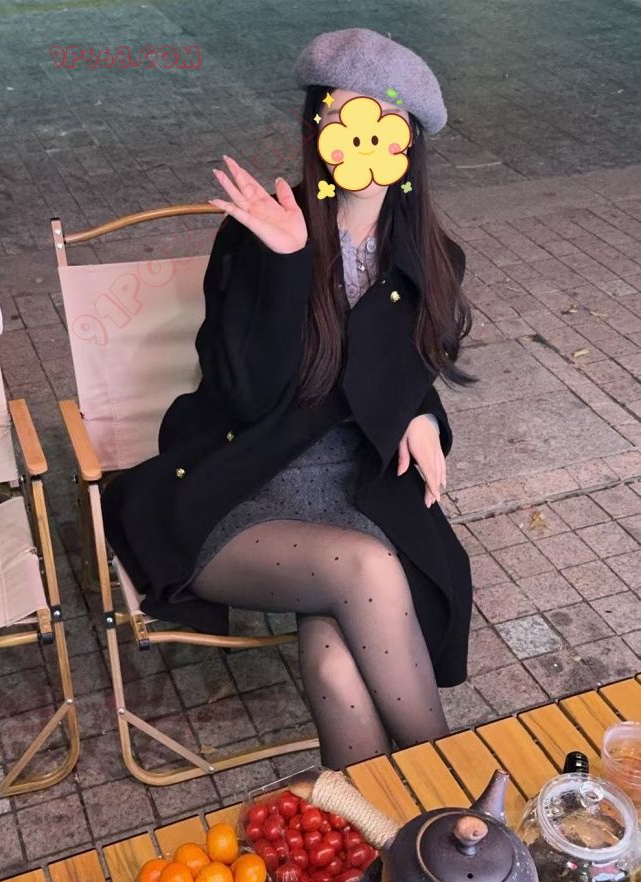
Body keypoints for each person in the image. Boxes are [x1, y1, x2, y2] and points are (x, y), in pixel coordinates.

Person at [102, 27, 477, 770]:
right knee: (366, 569)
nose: (362, 139)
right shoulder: (262, 235)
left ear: (408, 144)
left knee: (338, 668)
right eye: (344, 116)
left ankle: (388, 826)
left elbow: (400, 370)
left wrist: (421, 413)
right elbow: (245, 396)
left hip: (351, 494)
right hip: (236, 491)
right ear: (318, 129)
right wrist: (288, 263)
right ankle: (454, 806)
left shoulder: (434, 261)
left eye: (384, 120)